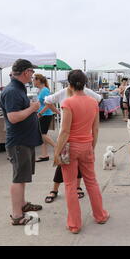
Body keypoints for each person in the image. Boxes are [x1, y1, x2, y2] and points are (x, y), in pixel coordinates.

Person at [54, 70, 109, 234]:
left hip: (70, 147)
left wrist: (57, 152)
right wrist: (92, 147)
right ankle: (100, 215)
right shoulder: (93, 102)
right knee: (91, 181)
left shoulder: (68, 103)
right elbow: (96, 129)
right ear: (85, 84)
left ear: (69, 85)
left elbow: (65, 132)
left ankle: (74, 224)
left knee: (70, 185)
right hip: (86, 145)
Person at [38, 85, 102, 204]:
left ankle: (76, 188)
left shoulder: (86, 93)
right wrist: (57, 111)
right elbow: (47, 100)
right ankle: (55, 189)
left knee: (78, 169)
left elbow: (98, 99)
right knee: (62, 166)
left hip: (80, 137)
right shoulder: (64, 94)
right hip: (69, 138)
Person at [0, 59, 43, 226]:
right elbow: (13, 117)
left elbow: (18, 113)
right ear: (26, 72)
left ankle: (22, 204)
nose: (33, 76)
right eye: (32, 73)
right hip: (19, 141)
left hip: (24, 140)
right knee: (18, 178)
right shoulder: (12, 91)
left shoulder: (17, 88)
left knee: (22, 176)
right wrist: (32, 109)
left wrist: (31, 110)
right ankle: (17, 215)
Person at [33, 74, 56, 162]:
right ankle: (44, 154)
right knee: (42, 135)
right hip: (44, 114)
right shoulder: (41, 90)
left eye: (34, 80)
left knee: (42, 134)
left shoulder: (44, 90)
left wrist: (40, 113)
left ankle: (57, 147)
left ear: (38, 80)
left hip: (45, 115)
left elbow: (48, 104)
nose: (33, 82)